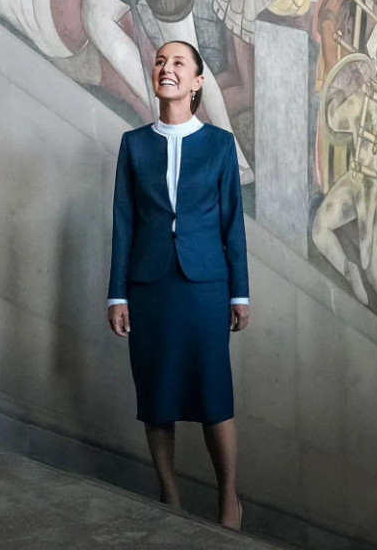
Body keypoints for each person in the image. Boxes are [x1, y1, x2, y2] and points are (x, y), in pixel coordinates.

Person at [107, 41, 250, 529]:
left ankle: (228, 496)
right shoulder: (134, 144)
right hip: (149, 285)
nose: (166, 68)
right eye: (160, 61)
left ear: (197, 82)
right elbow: (123, 222)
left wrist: (240, 292)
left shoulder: (219, 145)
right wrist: (117, 292)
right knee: (157, 391)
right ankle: (168, 493)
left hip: (205, 284)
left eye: (178, 63)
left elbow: (233, 223)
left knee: (214, 393)